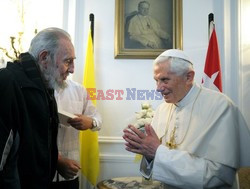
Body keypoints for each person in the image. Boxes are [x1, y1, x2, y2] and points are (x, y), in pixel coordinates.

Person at [123, 49, 250, 188]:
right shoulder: (162, 109)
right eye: (156, 80)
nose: (158, 88)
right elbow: (153, 166)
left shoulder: (221, 107)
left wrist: (158, 152)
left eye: (164, 80)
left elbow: (218, 176)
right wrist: (148, 155)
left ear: (188, 77)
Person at [0, 27, 76, 189]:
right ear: (44, 57)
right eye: (67, 61)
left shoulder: (45, 88)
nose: (72, 69)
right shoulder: (7, 82)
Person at [51, 79, 102, 189]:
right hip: (42, 173)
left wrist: (91, 122)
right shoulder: (38, 89)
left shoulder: (79, 89)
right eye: (67, 61)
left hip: (70, 173)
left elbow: (98, 119)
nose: (72, 69)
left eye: (73, 62)